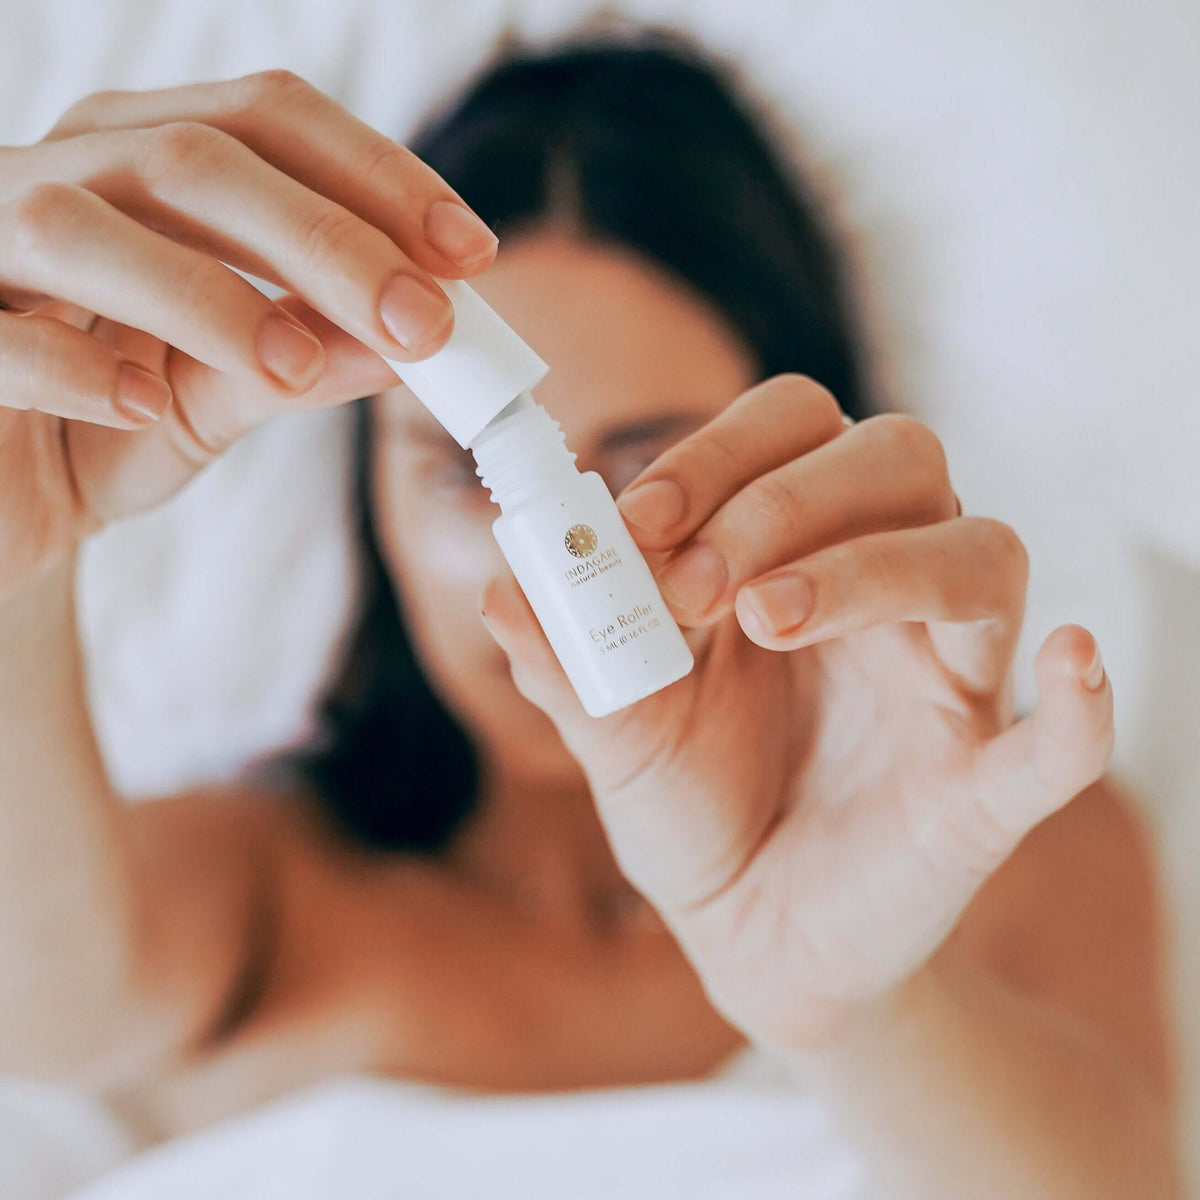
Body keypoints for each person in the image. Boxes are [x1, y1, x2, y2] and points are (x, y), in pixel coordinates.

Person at [0, 32, 1180, 1197]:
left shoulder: (1013, 845)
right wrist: (19, 561)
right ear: (370, 504)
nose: (562, 574)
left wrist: (858, 1002)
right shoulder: (253, 888)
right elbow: (41, 1014)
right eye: (467, 474)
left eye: (653, 462)